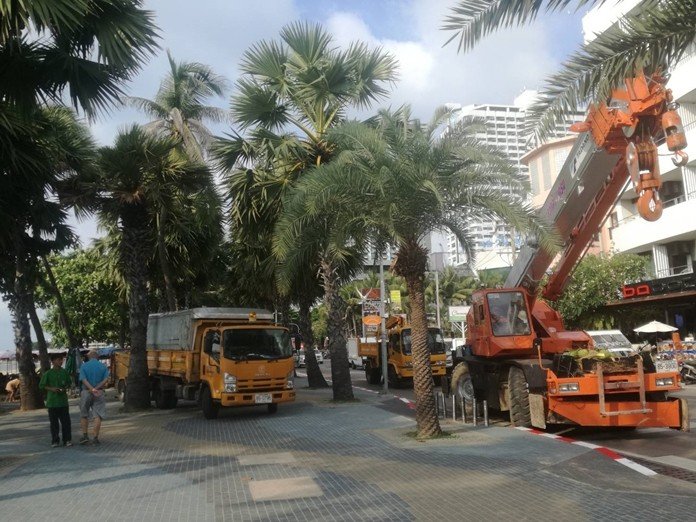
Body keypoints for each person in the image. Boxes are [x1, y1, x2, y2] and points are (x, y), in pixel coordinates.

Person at [39, 354, 73, 447]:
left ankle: (67, 440)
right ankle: (55, 441)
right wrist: (51, 389)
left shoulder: (64, 372)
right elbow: (41, 385)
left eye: (61, 360)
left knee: (66, 423)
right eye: (59, 360)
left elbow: (69, 383)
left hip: (63, 402)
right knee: (54, 424)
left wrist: (64, 388)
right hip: (52, 403)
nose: (61, 362)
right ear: (53, 361)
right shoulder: (48, 373)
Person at [78, 350, 109, 445]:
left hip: (86, 392)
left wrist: (91, 389)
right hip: (99, 392)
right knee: (97, 415)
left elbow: (83, 379)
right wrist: (96, 388)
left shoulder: (84, 366)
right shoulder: (103, 366)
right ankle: (95, 438)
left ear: (89, 356)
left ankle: (85, 436)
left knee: (84, 414)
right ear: (97, 357)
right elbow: (105, 380)